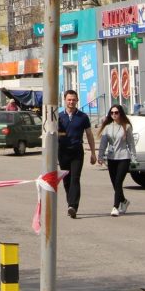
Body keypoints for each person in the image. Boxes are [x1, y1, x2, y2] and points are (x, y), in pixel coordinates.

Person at [58, 90, 96, 219]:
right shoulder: (58, 117)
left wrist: (93, 153)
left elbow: (89, 134)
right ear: (65, 100)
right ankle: (70, 204)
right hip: (63, 152)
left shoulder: (83, 117)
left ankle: (73, 206)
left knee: (75, 178)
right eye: (69, 99)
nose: (71, 102)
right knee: (66, 180)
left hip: (77, 151)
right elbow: (54, 134)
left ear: (77, 101)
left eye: (73, 100)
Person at [96, 104, 137, 217]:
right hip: (111, 158)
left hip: (124, 157)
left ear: (120, 113)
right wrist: (100, 156)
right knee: (115, 184)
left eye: (116, 113)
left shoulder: (126, 126)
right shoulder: (107, 127)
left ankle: (115, 206)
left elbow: (131, 143)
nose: (114, 115)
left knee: (118, 182)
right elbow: (103, 143)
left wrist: (134, 157)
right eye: (112, 113)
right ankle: (124, 201)